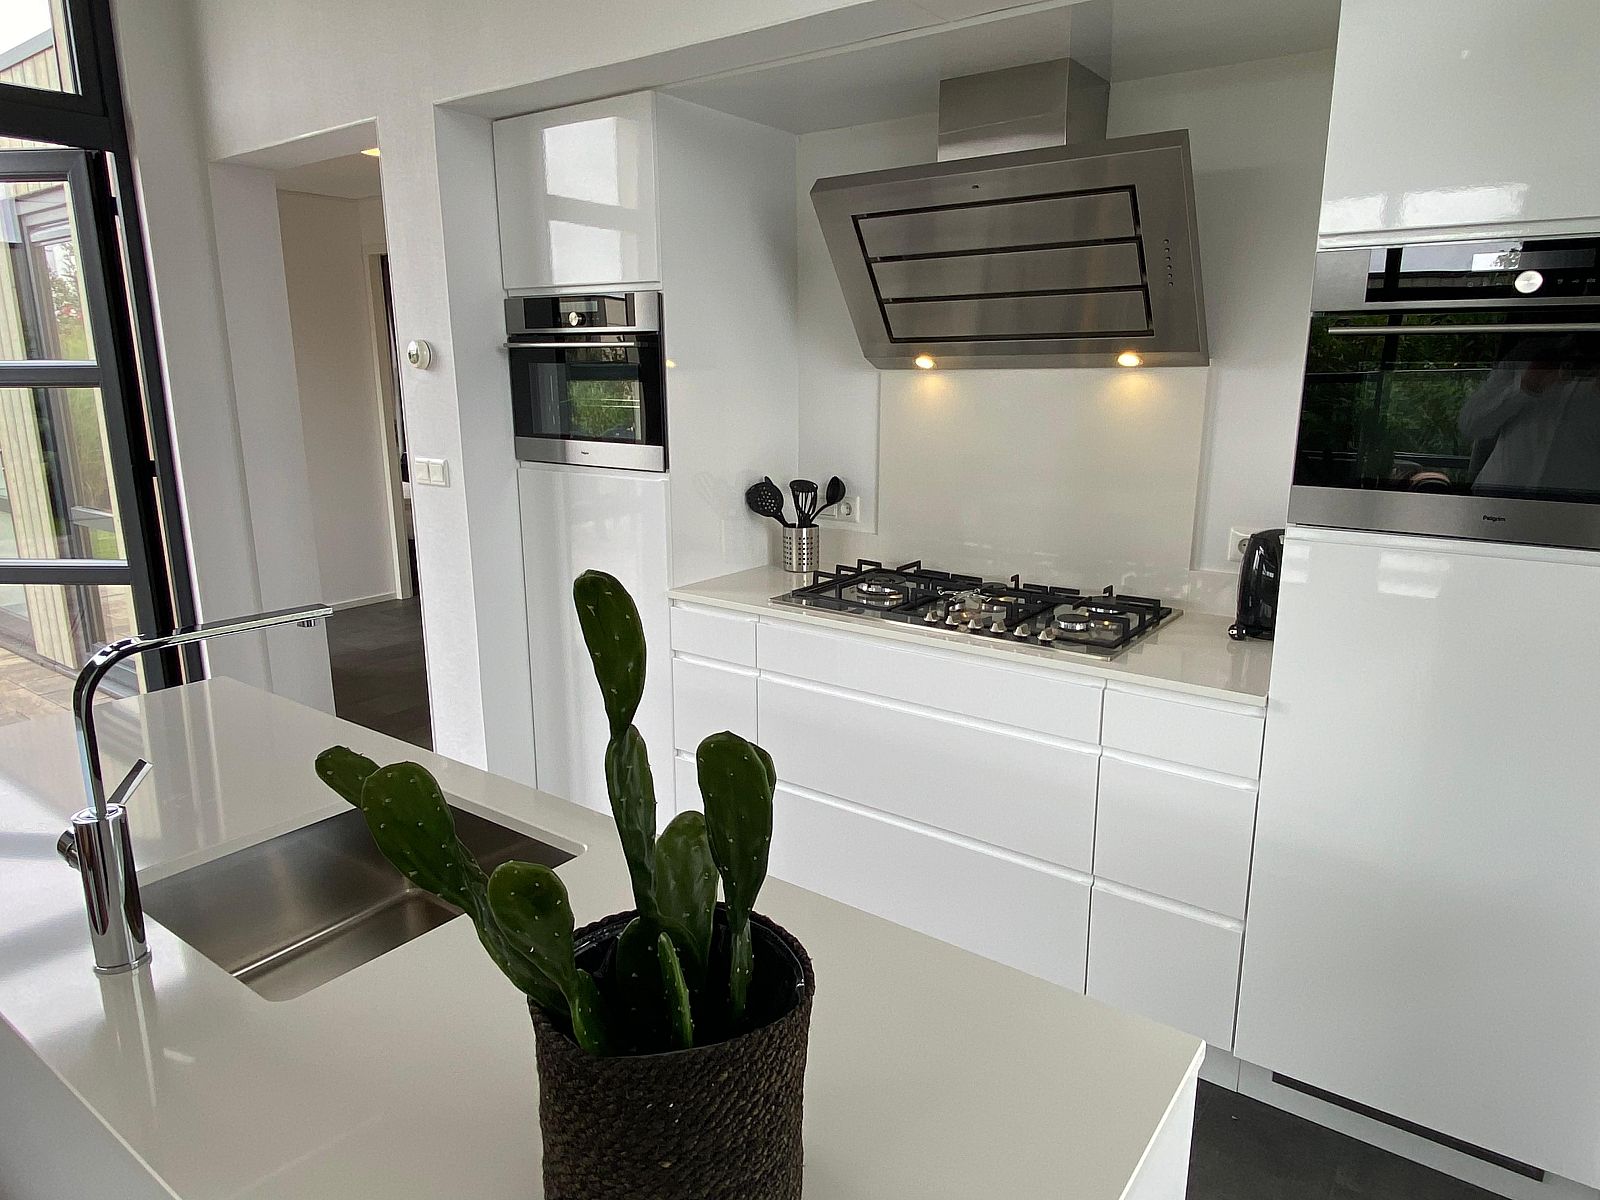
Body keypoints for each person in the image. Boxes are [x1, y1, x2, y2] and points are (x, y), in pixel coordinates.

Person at [1458, 333, 1600, 496]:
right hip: (1495, 498)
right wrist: (1524, 389)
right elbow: (1470, 425)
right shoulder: (1528, 354)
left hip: (1575, 505)